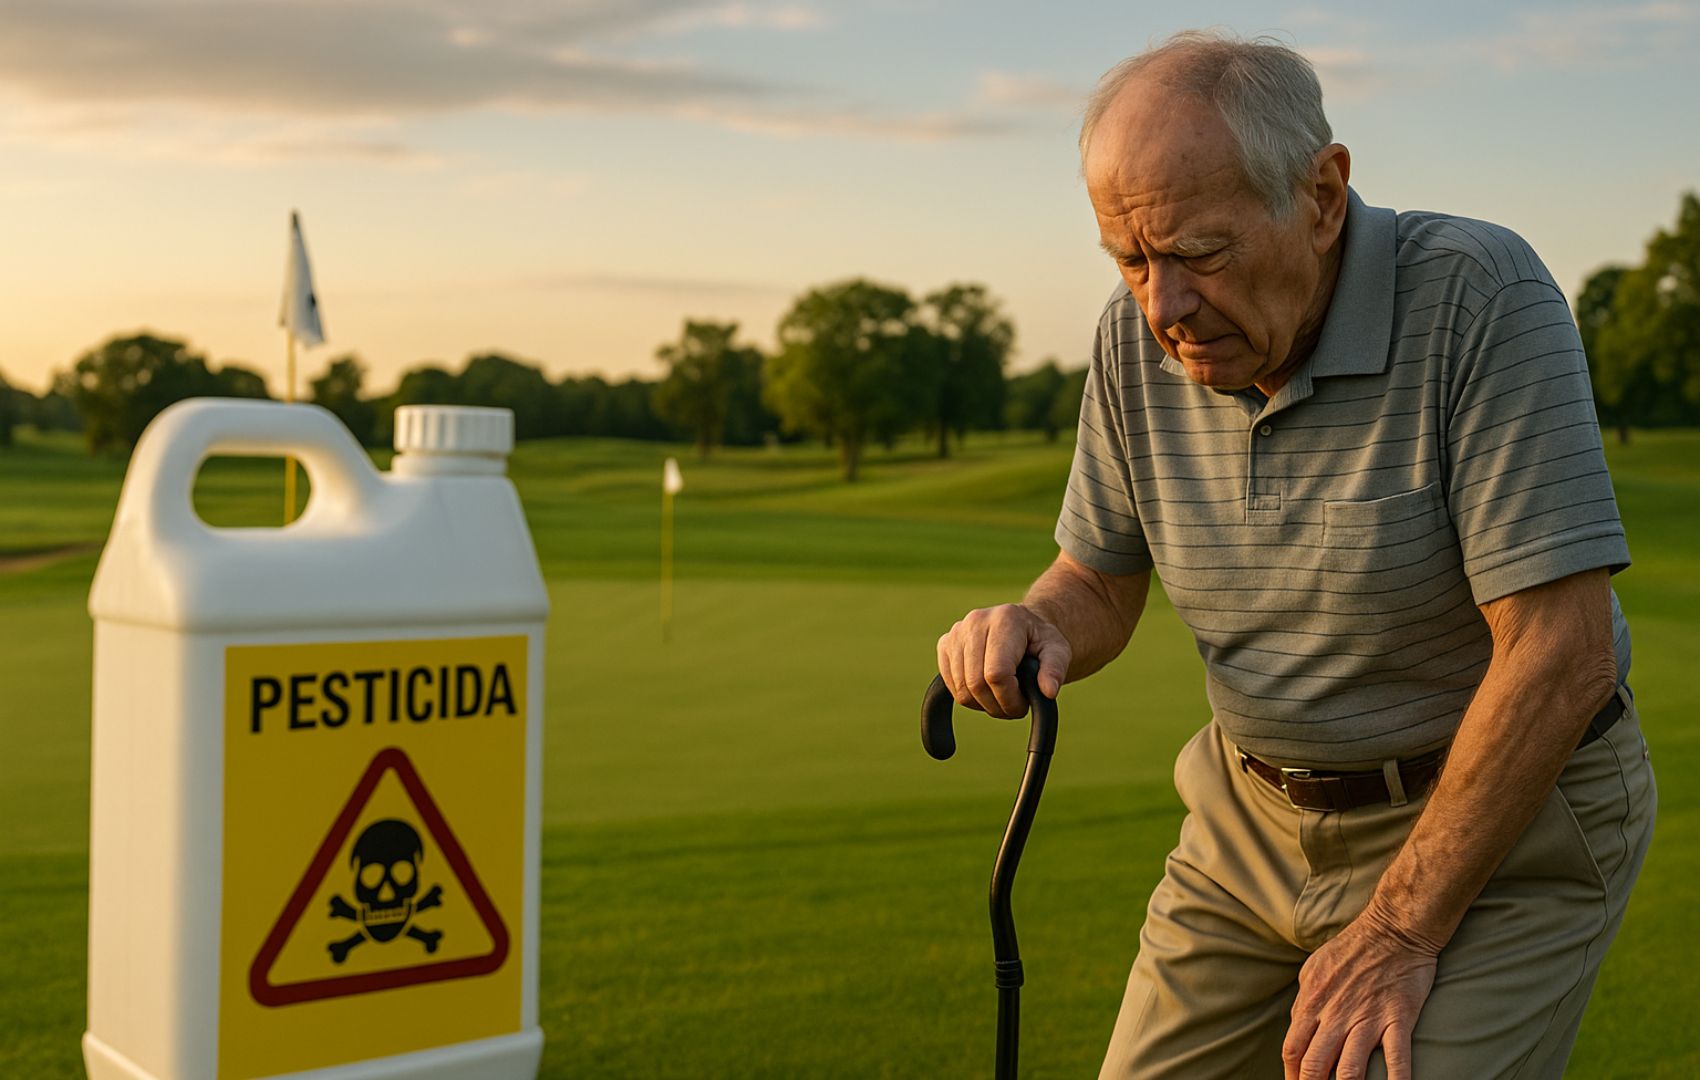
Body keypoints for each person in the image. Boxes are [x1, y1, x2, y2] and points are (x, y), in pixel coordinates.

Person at [934, 30, 1655, 1080]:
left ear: (1320, 197)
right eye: (1128, 260)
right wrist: (1040, 623)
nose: (1161, 306)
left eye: (1197, 254)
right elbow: (1096, 575)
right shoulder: (1132, 339)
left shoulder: (1477, 293)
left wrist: (1399, 930)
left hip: (1502, 831)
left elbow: (1558, 651)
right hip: (1246, 827)